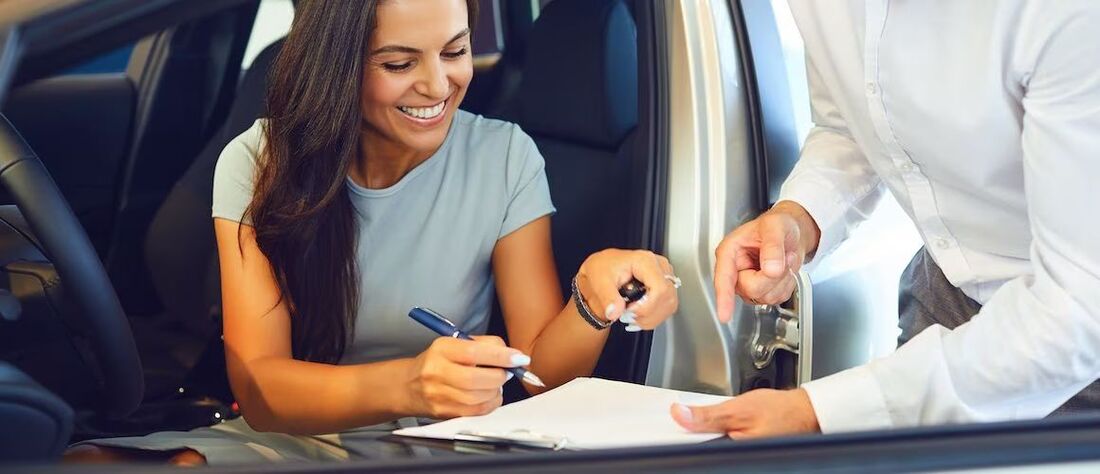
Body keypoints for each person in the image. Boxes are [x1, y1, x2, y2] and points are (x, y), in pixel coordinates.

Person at [65, 0, 678, 464]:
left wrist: (594, 300)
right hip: (295, 440)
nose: (438, 86)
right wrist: (410, 382)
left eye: (455, 51)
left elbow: (543, 377)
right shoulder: (260, 161)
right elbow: (262, 389)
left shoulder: (505, 157)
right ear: (338, 66)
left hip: (441, 450)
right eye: (398, 63)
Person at [671, 0, 1100, 438]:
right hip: (945, 294)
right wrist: (798, 218)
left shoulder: (1065, 14)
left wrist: (819, 412)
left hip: (1077, 339)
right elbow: (849, 126)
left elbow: (1079, 308)